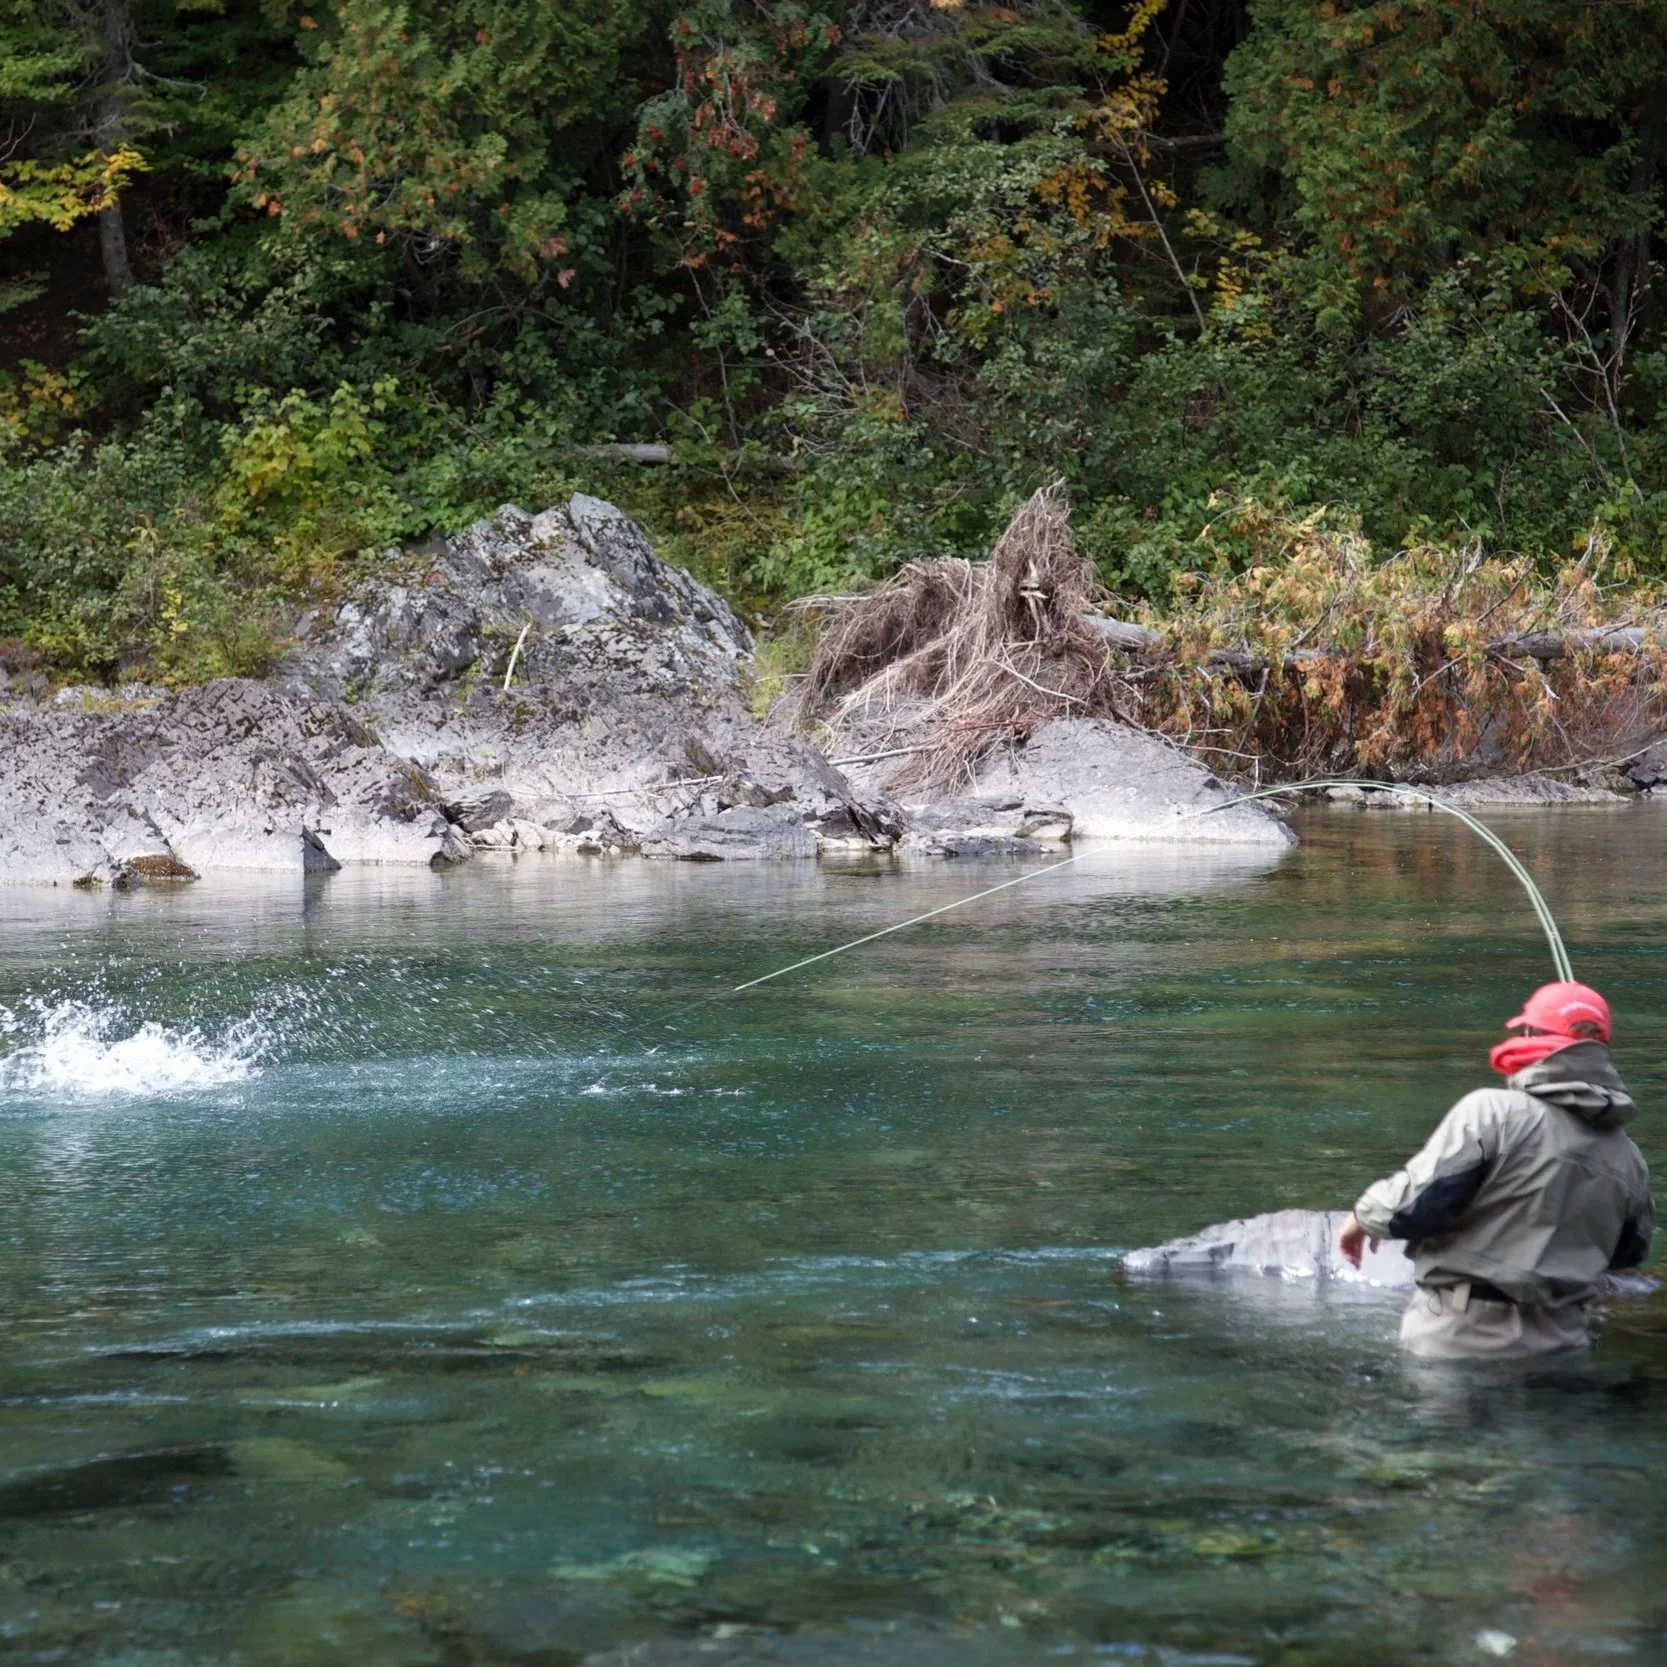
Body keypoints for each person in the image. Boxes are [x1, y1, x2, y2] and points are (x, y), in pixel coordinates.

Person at [1336, 981, 1653, 1359]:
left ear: (1533, 1036)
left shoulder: (1491, 1112)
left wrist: (1361, 1216)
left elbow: (1415, 1209)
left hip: (1459, 1338)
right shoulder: (1629, 1158)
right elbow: (1628, 1253)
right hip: (1563, 1343)